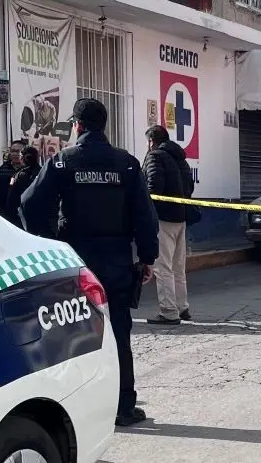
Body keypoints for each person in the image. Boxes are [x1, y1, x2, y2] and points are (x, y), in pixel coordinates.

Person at [21, 98, 160, 427]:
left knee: (74, 335)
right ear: (104, 125)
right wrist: (148, 257)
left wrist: (48, 245)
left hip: (76, 262)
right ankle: (124, 406)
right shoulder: (126, 163)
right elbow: (145, 215)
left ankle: (78, 410)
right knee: (119, 333)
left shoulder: (63, 161)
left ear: (78, 126)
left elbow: (29, 204)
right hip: (116, 260)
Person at [143, 125, 197, 325]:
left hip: (163, 218)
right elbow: (189, 187)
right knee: (178, 267)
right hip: (181, 216)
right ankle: (182, 307)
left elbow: (152, 187)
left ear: (152, 141)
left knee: (163, 266)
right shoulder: (180, 158)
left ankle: (168, 311)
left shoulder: (155, 156)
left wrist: (146, 209)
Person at [5, 145, 41, 226]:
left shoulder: (17, 176)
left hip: (22, 220)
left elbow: (11, 201)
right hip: (42, 218)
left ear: (22, 159)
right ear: (37, 158)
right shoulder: (44, 174)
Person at [0, 141, 24, 219]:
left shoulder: (32, 170)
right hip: (5, 215)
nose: (15, 154)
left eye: (18, 151)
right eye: (13, 151)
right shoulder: (3, 170)